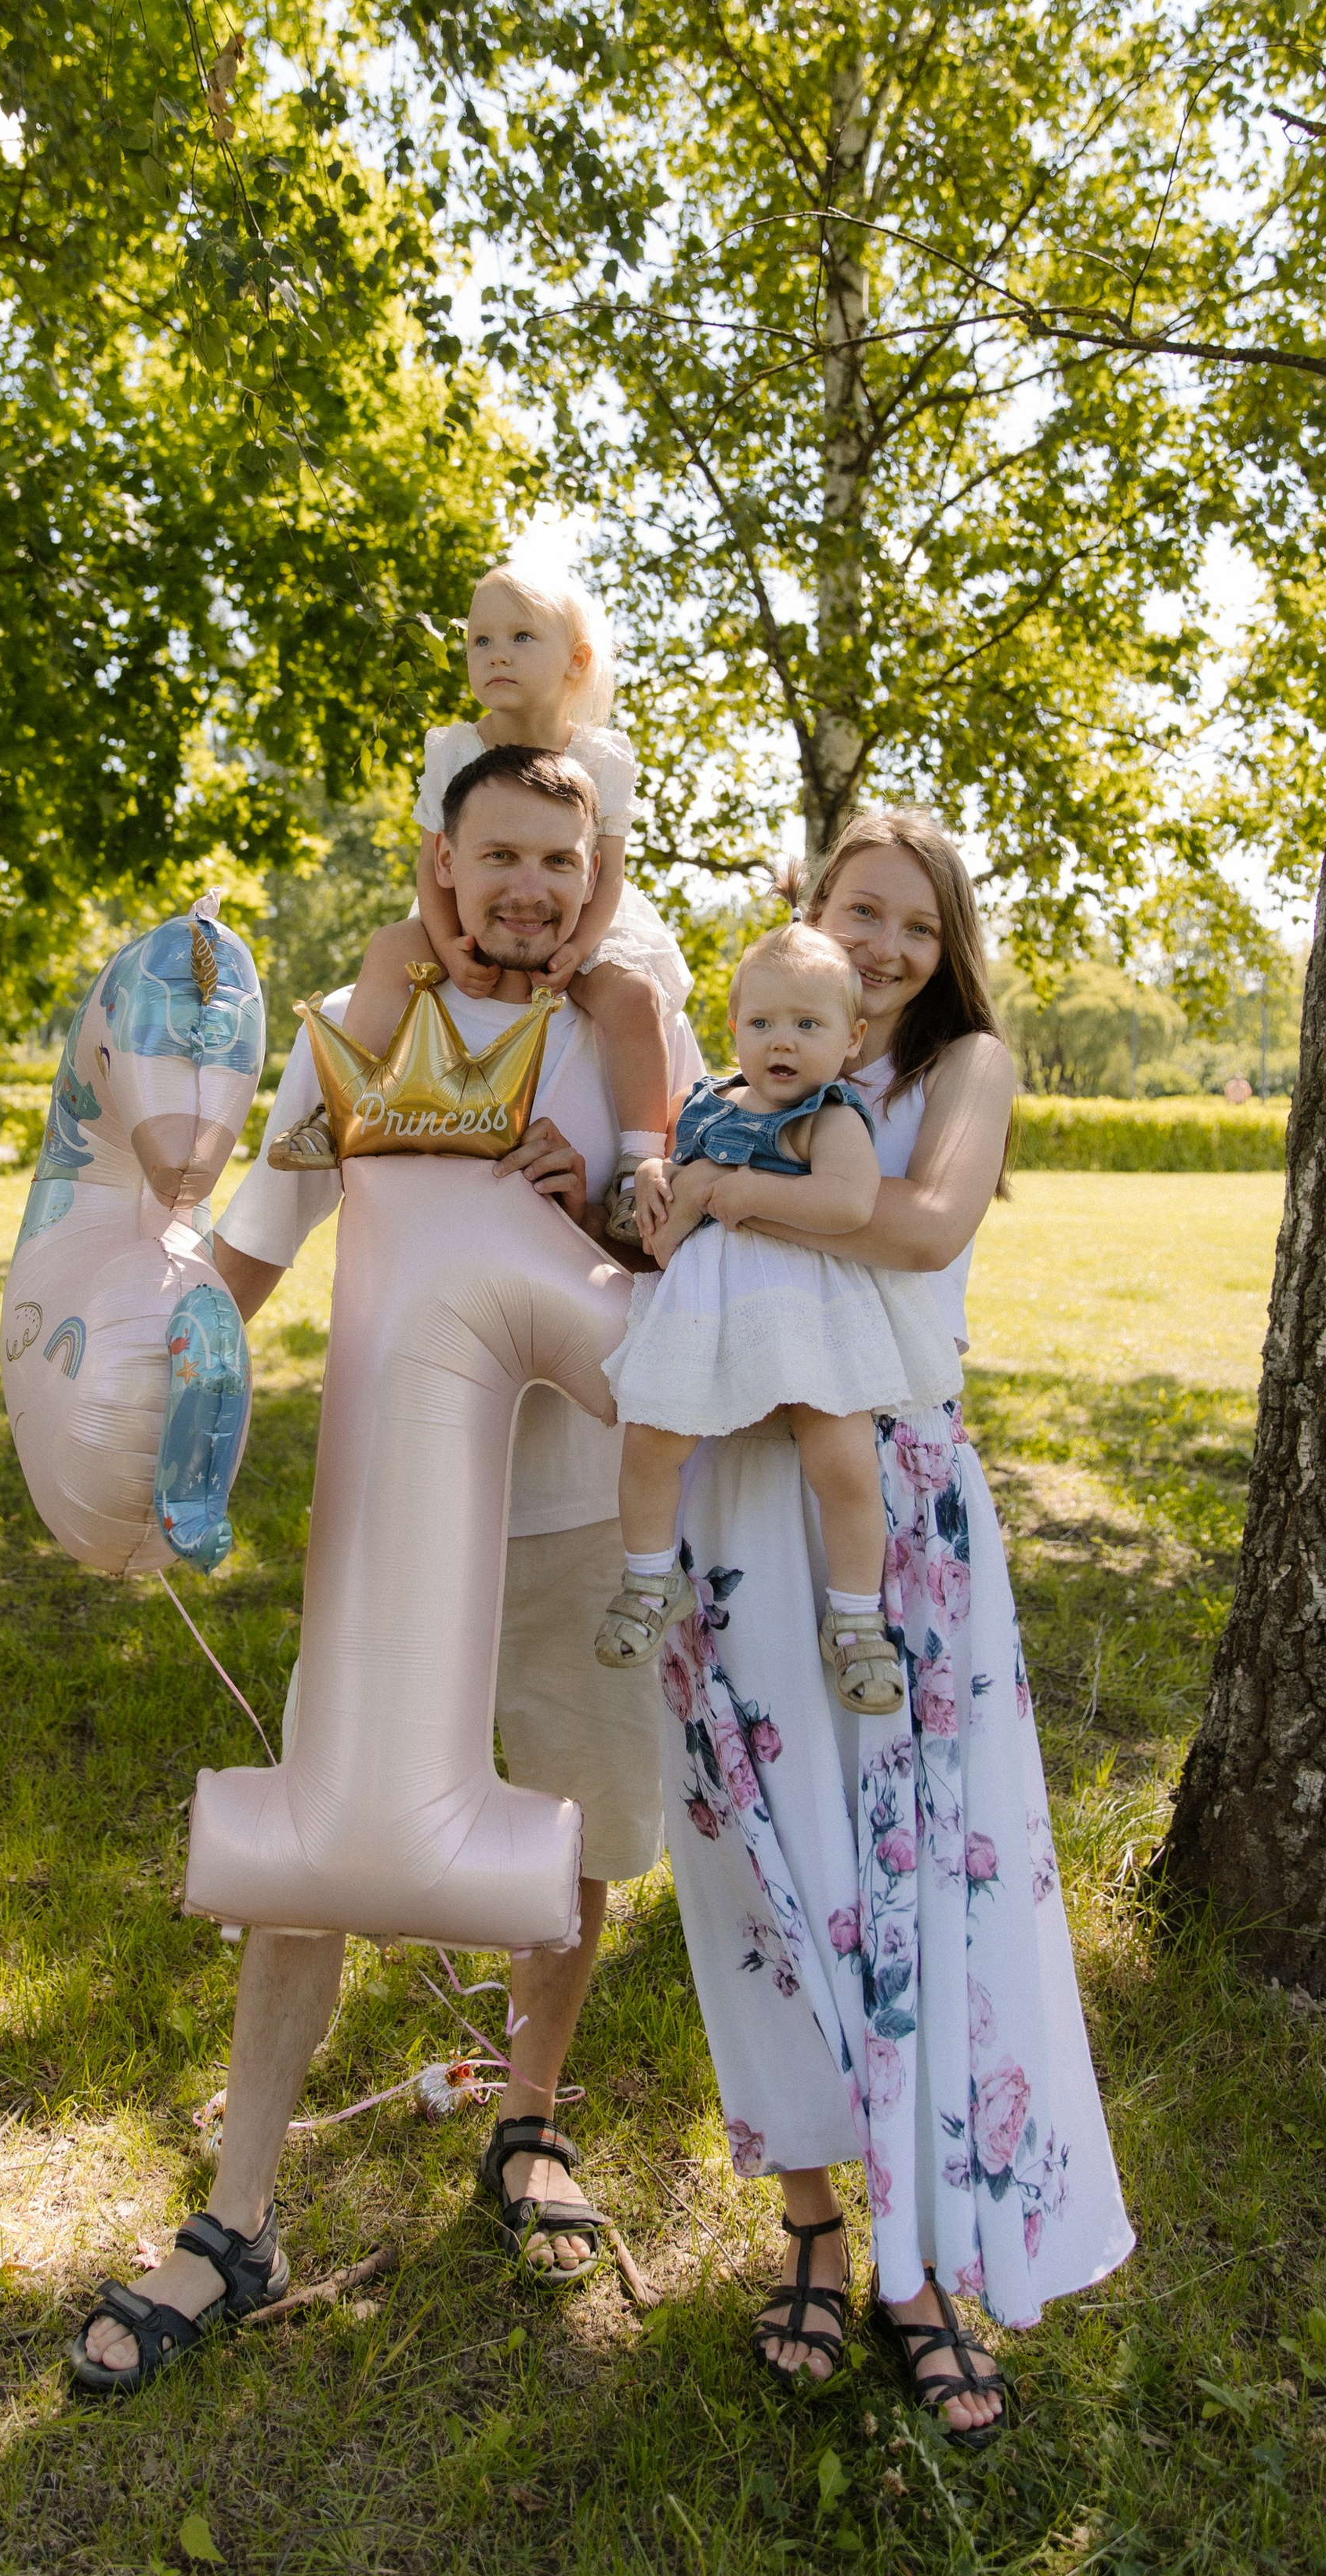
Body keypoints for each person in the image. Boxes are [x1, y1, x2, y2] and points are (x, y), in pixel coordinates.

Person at [67, 744, 705, 2393]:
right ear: (441, 865)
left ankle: (528, 2126)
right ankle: (237, 2215)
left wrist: (602, 1210)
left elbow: (700, 1265)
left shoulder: (628, 1032)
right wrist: (123, 1415)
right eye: (500, 857)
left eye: (559, 862)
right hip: (387, 1531)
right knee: (316, 1841)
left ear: (594, 875)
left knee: (575, 1835)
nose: (530, 890)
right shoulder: (356, 1034)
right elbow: (251, 1253)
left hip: (582, 1517)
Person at [657, 807, 1132, 2442]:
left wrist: (729, 1188)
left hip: (892, 1497)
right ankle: (808, 2225)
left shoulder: (962, 1067)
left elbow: (926, 1228)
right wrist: (668, 1191)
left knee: (912, 1870)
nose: (884, 947)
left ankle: (919, 2264)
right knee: (760, 1860)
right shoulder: (753, 1052)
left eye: (917, 928)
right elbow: (665, 1233)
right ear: (811, 909)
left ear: (946, 951)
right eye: (860, 911)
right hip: (732, 1484)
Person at [595, 923, 961, 1715]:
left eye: (807, 1024)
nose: (781, 1042)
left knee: (842, 1461)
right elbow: (671, 1172)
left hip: (809, 1308)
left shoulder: (830, 1116)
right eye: (761, 1022)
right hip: (709, 1307)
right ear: (734, 1028)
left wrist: (747, 1191)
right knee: (652, 1438)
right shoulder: (706, 1101)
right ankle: (649, 1578)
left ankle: (857, 1618)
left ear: (851, 1039)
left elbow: (849, 1201)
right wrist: (655, 1172)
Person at [269, 567, 691, 1247]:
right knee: (389, 947)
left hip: (583, 913)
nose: (496, 654)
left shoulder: (600, 755)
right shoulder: (456, 746)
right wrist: (445, 944)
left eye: (521, 638)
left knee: (632, 998)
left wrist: (579, 949)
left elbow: (606, 872)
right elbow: (431, 863)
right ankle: (341, 1104)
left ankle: (637, 1161)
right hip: (465, 907)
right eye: (480, 640)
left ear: (576, 661)